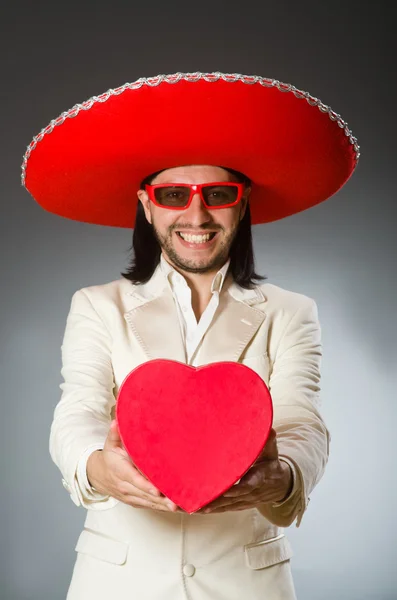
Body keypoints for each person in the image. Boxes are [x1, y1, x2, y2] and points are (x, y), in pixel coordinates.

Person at [22, 72, 359, 600]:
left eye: (217, 194)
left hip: (248, 583)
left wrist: (285, 476)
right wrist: (96, 466)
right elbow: (78, 411)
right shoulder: (96, 305)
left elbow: (303, 422)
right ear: (147, 203)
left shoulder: (291, 313)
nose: (196, 215)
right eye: (174, 194)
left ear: (242, 203)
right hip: (116, 581)